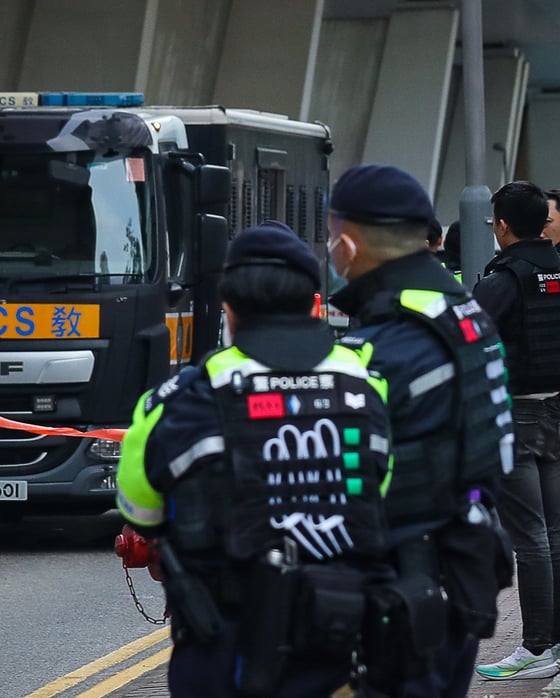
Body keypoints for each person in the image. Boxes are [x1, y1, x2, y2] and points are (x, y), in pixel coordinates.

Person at [116, 220, 396, 697]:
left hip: (221, 642)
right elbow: (378, 489)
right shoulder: (367, 385)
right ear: (313, 304)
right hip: (337, 635)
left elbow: (139, 509)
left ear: (228, 309)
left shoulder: (176, 400)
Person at [326, 164, 514, 696]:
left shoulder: (381, 350)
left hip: (397, 593)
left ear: (347, 241)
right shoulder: (466, 319)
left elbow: (345, 484)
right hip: (462, 569)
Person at [472, 181, 560, 681]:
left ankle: (536, 646)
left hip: (519, 414)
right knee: (554, 531)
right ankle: (554, 643)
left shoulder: (503, 278)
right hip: (557, 411)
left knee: (530, 537)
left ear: (502, 225)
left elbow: (467, 336)